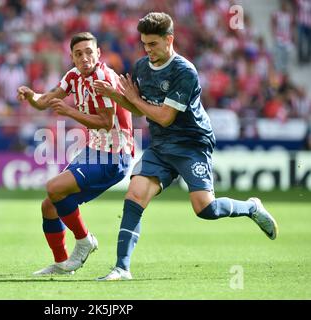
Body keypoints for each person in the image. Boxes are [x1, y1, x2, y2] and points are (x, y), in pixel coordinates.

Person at [93, 12, 279, 281]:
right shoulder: (142, 67)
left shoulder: (184, 71)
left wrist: (131, 97)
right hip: (160, 144)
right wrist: (118, 97)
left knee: (206, 209)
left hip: (191, 144)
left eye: (153, 44)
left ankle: (250, 207)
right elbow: (139, 107)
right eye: (144, 44)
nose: (148, 50)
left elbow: (165, 116)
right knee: (134, 194)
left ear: (169, 39)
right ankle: (122, 267)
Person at [17, 32, 134, 276]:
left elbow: (104, 122)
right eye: (78, 54)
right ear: (71, 57)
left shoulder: (103, 77)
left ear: (98, 53)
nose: (84, 58)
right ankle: (62, 265)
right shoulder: (73, 76)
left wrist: (69, 112)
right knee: (49, 206)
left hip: (113, 156)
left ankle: (84, 240)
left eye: (89, 52)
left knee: (53, 187)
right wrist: (31, 96)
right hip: (93, 150)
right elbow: (45, 100)